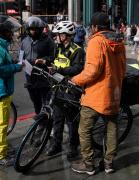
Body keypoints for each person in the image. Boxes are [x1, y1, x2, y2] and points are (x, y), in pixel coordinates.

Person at [71, 12, 126, 175]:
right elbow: (123, 70)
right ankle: (109, 163)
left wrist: (75, 80)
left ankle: (88, 164)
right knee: (112, 129)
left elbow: (92, 71)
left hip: (96, 96)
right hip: (114, 95)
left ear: (94, 27)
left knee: (84, 130)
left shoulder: (97, 41)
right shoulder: (119, 41)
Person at [46, 21, 85, 159]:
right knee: (57, 119)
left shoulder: (77, 50)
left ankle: (73, 147)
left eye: (58, 34)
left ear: (66, 36)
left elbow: (77, 69)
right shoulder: (59, 48)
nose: (56, 37)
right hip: (58, 89)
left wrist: (60, 70)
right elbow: (54, 61)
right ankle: (56, 145)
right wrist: (47, 64)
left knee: (71, 121)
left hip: (71, 91)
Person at [20, 16, 56, 119]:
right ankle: (39, 121)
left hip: (43, 77)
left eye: (36, 29)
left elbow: (53, 57)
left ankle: (45, 125)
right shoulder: (24, 41)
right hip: (30, 77)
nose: (34, 32)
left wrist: (43, 60)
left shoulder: (48, 41)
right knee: (36, 102)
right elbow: (20, 56)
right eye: (32, 29)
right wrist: (20, 63)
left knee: (45, 102)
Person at [0, 15, 23, 166]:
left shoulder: (2, 46)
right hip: (2, 91)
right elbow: (1, 70)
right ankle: (1, 155)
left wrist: (12, 62)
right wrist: (16, 67)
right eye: (9, 32)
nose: (12, 34)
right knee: (2, 125)